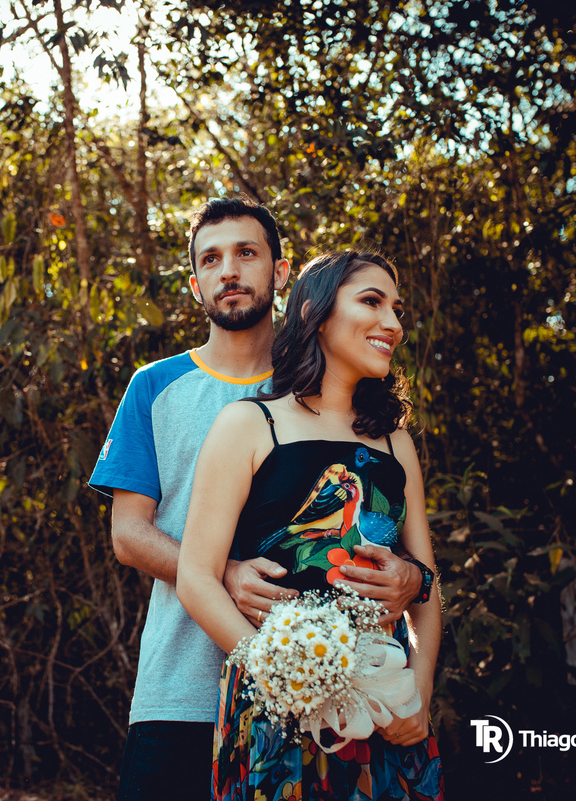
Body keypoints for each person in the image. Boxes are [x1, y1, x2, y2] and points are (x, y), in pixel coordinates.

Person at [89, 200, 427, 801]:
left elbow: (394, 541)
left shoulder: (326, 385)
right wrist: (224, 570)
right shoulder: (155, 386)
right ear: (195, 284)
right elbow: (128, 535)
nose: (229, 271)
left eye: (247, 253)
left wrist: (414, 580)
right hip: (183, 687)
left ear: (281, 272)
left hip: (343, 698)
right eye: (211, 260)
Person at [176, 250, 444, 800]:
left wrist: (417, 693)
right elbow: (196, 578)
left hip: (387, 703)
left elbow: (426, 587)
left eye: (396, 310)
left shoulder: (395, 442)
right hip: (278, 705)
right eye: (372, 302)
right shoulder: (249, 424)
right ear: (314, 314)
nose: (393, 324)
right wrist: (284, 672)